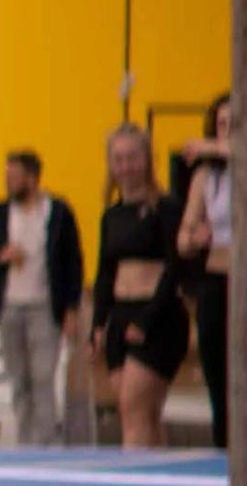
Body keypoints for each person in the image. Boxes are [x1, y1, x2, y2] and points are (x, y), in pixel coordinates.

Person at [0, 150, 85, 446]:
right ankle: (25, 443)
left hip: (44, 307)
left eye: (14, 177)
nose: (8, 182)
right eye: (6, 176)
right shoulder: (0, 213)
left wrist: (72, 308)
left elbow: (73, 261)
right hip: (10, 306)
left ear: (32, 178)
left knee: (42, 378)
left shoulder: (58, 213)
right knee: (18, 380)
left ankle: (47, 444)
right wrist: (1, 255)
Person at [91, 123, 187, 448]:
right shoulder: (111, 215)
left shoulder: (167, 208)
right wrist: (99, 323)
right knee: (142, 415)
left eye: (133, 157)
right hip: (120, 316)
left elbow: (175, 268)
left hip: (157, 316)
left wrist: (146, 320)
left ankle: (133, 479)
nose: (126, 166)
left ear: (147, 159)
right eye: (118, 159)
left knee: (133, 410)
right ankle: (161, 481)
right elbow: (105, 271)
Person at [178, 92, 233, 450]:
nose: (226, 133)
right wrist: (194, 236)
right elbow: (182, 238)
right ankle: (221, 447)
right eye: (222, 124)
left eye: (235, 125)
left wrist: (210, 146)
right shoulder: (206, 176)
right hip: (215, 275)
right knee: (217, 374)